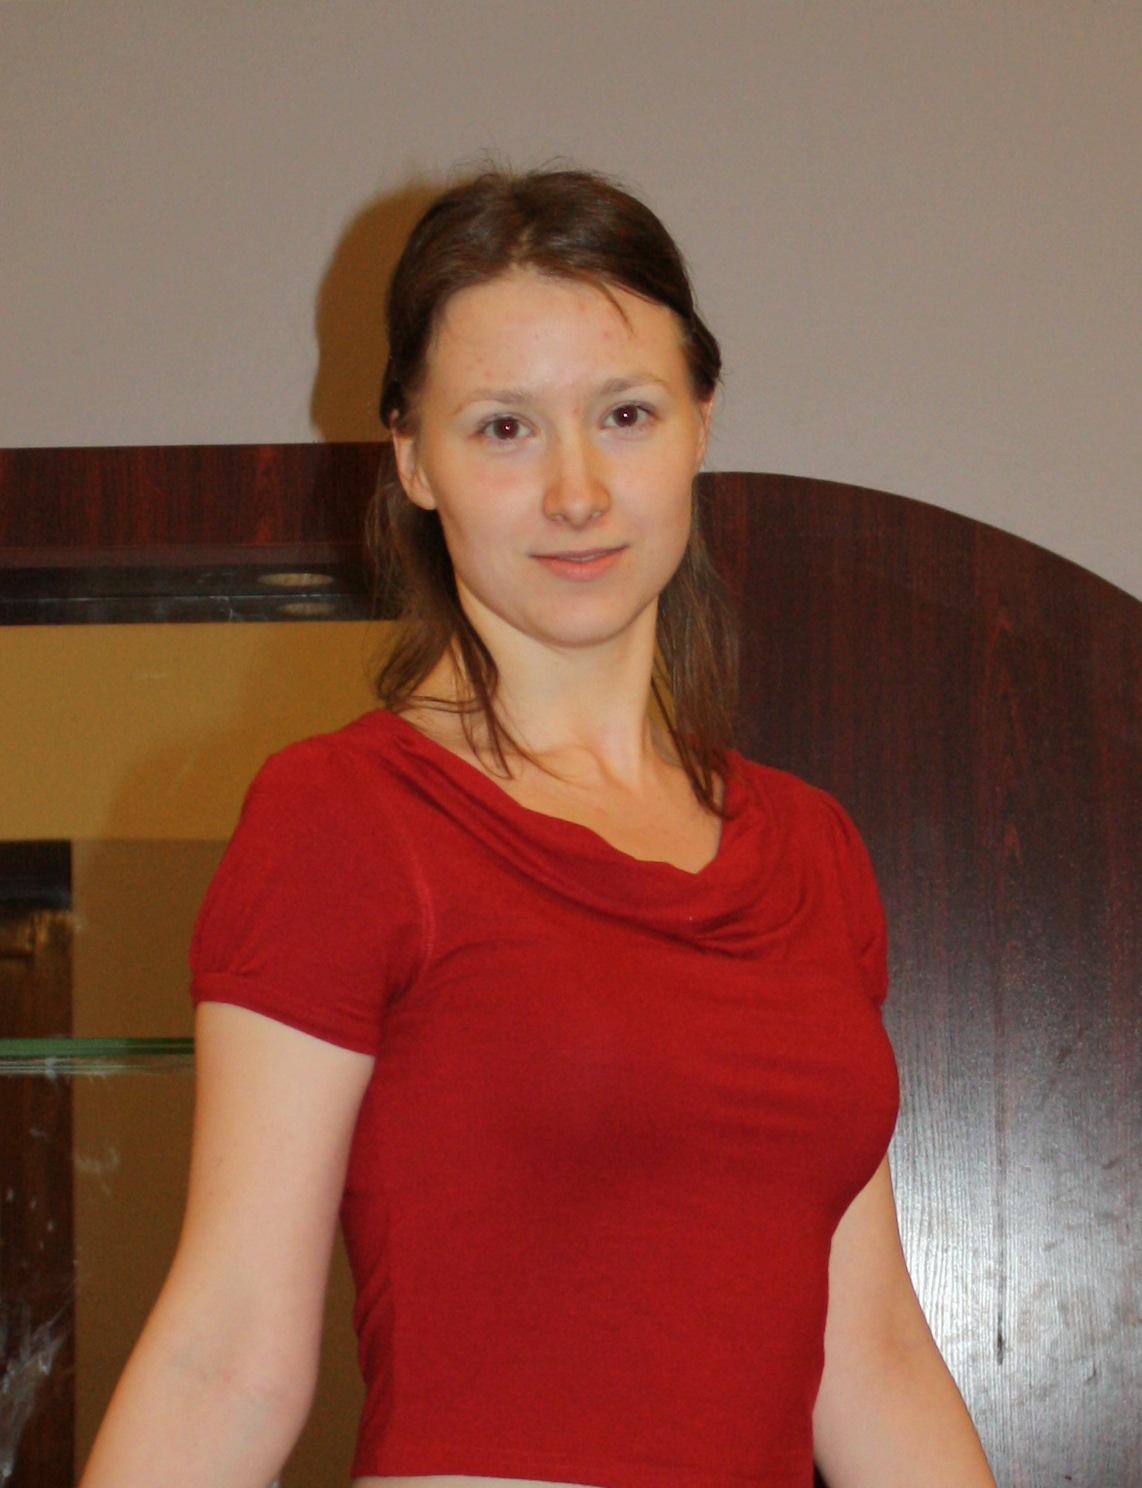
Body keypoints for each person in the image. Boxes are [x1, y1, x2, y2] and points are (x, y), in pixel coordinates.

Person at [80, 167, 997, 1488]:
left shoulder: (811, 851)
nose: (576, 490)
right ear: (414, 460)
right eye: (504, 428)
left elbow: (873, 1360)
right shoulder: (346, 817)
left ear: (700, 421)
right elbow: (224, 1356)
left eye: (624, 414)